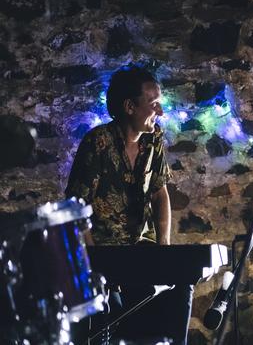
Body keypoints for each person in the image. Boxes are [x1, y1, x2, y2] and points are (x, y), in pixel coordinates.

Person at [66, 65, 192, 344]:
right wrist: (96, 264)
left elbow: (159, 192)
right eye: (153, 104)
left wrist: (164, 251)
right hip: (102, 253)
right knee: (112, 314)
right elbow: (76, 207)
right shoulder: (97, 143)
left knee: (182, 282)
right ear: (129, 107)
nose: (159, 112)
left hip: (139, 250)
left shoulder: (154, 139)